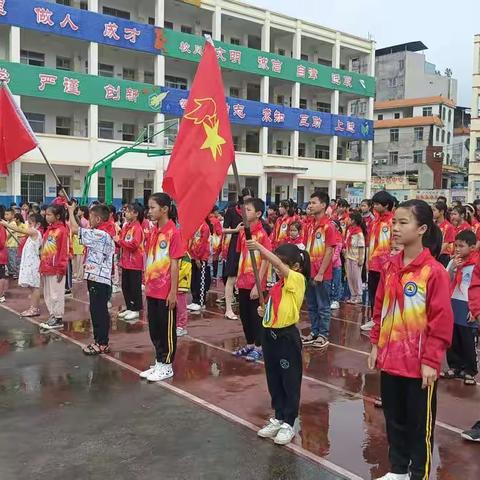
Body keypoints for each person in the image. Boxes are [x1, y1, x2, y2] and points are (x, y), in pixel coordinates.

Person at [368, 199, 453, 480]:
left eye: (403, 222)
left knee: (420, 426)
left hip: (419, 366)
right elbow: (380, 308)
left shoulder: (434, 272)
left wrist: (431, 361)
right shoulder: (390, 266)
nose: (394, 227)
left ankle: (419, 474)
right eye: (394, 221)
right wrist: (375, 344)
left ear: (422, 229)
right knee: (394, 420)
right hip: (391, 358)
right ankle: (398, 470)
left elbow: (441, 321)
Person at [247, 241, 310, 446]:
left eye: (281, 264)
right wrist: (263, 312)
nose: (276, 268)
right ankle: (279, 416)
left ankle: (289, 422)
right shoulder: (278, 285)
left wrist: (261, 250)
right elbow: (275, 309)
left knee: (289, 380)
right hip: (270, 336)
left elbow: (281, 268)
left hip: (286, 338)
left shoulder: (297, 280)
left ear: (295, 267)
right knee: (274, 379)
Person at [140, 193, 184, 382]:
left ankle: (167, 365)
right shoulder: (153, 231)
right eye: (148, 208)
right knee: (155, 328)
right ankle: (159, 362)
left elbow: (175, 264)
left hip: (165, 290)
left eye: (152, 208)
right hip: (152, 289)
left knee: (166, 329)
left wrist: (173, 291)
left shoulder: (173, 232)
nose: (149, 211)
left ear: (165, 209)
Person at [67, 202, 115, 354]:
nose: (89, 220)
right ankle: (100, 341)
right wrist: (75, 213)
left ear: (98, 219)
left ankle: (101, 342)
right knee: (98, 310)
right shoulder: (100, 232)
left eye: (91, 217)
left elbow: (75, 229)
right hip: (98, 277)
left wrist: (70, 211)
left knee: (98, 311)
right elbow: (81, 228)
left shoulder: (100, 234)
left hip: (99, 279)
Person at [233, 198, 271, 362]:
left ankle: (259, 346)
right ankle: (249, 343)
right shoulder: (243, 232)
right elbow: (241, 256)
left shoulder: (262, 234)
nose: (244, 212)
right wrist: (237, 278)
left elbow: (266, 259)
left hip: (255, 283)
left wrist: (258, 284)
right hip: (242, 281)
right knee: (244, 315)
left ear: (258, 214)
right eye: (244, 209)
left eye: (248, 210)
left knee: (256, 316)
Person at [440, 230, 478, 386]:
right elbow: (444, 280)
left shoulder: (476, 265)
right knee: (453, 337)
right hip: (453, 301)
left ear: (473, 247)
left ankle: (469, 370)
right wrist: (452, 268)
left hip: (468, 304)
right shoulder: (453, 261)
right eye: (456, 245)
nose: (457, 249)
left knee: (467, 339)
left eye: (461, 246)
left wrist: (475, 309)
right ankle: (455, 366)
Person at [302, 190, 336, 348]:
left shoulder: (328, 226)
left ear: (323, 205)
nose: (310, 205)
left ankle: (323, 334)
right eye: (310, 202)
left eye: (314, 202)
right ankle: (314, 331)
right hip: (309, 271)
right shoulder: (309, 226)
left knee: (323, 306)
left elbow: (330, 250)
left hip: (322, 273)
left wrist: (321, 273)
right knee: (311, 305)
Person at [362, 191, 395, 332]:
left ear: (386, 205)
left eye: (377, 204)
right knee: (373, 292)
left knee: (385, 293)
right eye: (373, 204)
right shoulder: (375, 221)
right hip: (373, 263)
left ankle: (385, 319)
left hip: (386, 264)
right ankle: (374, 319)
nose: (374, 206)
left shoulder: (392, 221)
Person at [221, 188, 254, 320]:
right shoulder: (232, 211)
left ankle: (247, 308)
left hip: (249, 245)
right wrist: (236, 230)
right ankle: (229, 309)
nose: (247, 203)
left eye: (250, 200)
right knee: (232, 278)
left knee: (248, 277)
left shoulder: (252, 212)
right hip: (235, 245)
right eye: (245, 199)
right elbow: (223, 229)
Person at [1, 213, 43, 317]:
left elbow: (20, 230)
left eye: (31, 223)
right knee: (32, 287)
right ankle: (33, 307)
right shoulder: (32, 234)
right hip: (30, 264)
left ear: (38, 224)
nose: (29, 225)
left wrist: (6, 224)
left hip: (33, 264)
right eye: (29, 223)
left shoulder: (35, 232)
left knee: (34, 287)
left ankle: (34, 309)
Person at [38, 205, 68, 330]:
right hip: (46, 267)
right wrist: (41, 266)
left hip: (56, 269)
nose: (46, 216)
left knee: (56, 294)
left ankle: (58, 317)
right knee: (48, 294)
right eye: (46, 214)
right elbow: (45, 249)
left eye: (49, 214)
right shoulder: (49, 230)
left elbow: (63, 252)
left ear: (58, 216)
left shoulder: (61, 231)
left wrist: (61, 269)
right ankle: (52, 315)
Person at [115, 203, 144, 322]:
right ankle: (129, 306)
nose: (125, 213)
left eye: (128, 211)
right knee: (125, 286)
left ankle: (136, 309)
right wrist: (117, 241)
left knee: (134, 287)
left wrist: (120, 241)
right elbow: (121, 242)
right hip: (126, 262)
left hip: (135, 263)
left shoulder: (137, 228)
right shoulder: (127, 226)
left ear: (135, 213)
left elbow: (134, 244)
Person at [188, 218, 212, 312]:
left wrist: (198, 257)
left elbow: (203, 243)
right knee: (193, 279)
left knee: (200, 279)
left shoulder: (205, 227)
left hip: (202, 257)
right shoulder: (194, 225)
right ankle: (194, 300)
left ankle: (200, 302)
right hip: (193, 256)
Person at [345, 212, 366, 304]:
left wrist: (361, 259)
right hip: (348, 257)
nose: (347, 220)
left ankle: (359, 296)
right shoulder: (349, 231)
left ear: (353, 221)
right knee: (350, 277)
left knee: (356, 277)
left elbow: (362, 247)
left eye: (349, 219)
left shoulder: (359, 233)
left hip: (356, 258)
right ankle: (353, 295)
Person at [432, 201, 455, 268]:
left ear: (441, 212)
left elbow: (446, 243)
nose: (432, 212)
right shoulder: (432, 225)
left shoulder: (448, 227)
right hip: (432, 254)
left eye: (434, 210)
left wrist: (436, 254)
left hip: (442, 256)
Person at [176, 252, 192, 337]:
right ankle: (176, 325)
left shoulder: (185, 256)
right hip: (172, 285)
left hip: (181, 285)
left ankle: (181, 326)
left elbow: (184, 272)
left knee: (181, 307)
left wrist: (172, 279)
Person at [4, 208, 22, 279]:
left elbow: (10, 234)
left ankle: (15, 272)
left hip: (12, 245)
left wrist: (5, 240)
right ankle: (11, 271)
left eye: (8, 214)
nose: (6, 216)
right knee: (9, 259)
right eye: (5, 214)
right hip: (8, 245)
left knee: (13, 259)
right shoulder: (7, 223)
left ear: (13, 215)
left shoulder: (13, 223)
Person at [72, 206, 89, 282]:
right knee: (76, 260)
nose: (78, 212)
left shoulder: (84, 221)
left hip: (81, 243)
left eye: (79, 210)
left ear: (83, 212)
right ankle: (76, 275)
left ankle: (80, 276)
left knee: (80, 260)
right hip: (76, 241)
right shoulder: (80, 220)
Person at [330, 220, 343, 310]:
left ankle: (336, 300)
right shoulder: (329, 236)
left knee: (336, 283)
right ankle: (330, 298)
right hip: (328, 264)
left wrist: (330, 261)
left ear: (337, 228)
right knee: (329, 283)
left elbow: (336, 253)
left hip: (336, 265)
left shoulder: (338, 237)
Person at [0, 207, 7, 303]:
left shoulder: (1, 227)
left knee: (1, 276)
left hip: (0, 255)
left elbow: (1, 243)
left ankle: (1, 295)